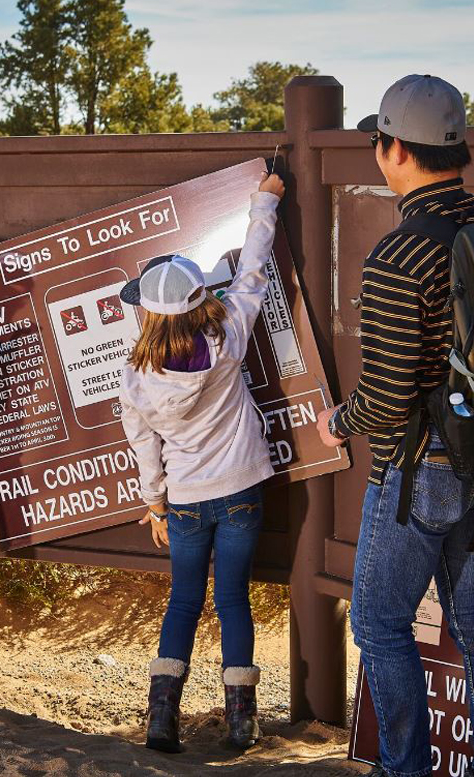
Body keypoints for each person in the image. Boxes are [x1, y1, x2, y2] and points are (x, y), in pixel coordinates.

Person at [316, 75, 474, 777]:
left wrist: (336, 422)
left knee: (378, 624)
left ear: (393, 148)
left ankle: (405, 770)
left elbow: (385, 395)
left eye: (379, 139)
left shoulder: (398, 256)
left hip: (418, 470)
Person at [119, 172, 284, 753]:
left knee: (184, 601)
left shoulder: (135, 379)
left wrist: (154, 502)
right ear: (200, 300)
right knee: (234, 599)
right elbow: (253, 270)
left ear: (148, 314)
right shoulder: (230, 335)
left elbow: (145, 446)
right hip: (241, 490)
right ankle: (243, 722)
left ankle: (161, 718)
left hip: (185, 501)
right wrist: (265, 200)